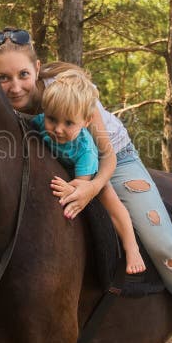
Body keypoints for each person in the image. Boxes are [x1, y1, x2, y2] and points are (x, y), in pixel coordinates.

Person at [0, 27, 172, 343]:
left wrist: (91, 187)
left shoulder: (71, 93)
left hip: (114, 161)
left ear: (37, 68)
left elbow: (104, 156)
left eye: (22, 74)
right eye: (3, 78)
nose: (15, 86)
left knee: (162, 240)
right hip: (58, 154)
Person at [32, 69, 147, 275]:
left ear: (85, 121)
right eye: (52, 119)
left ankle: (132, 247)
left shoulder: (85, 150)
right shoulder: (42, 121)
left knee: (110, 200)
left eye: (68, 123)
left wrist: (70, 189)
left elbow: (81, 186)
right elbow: (28, 122)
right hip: (61, 165)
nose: (58, 129)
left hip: (86, 175)